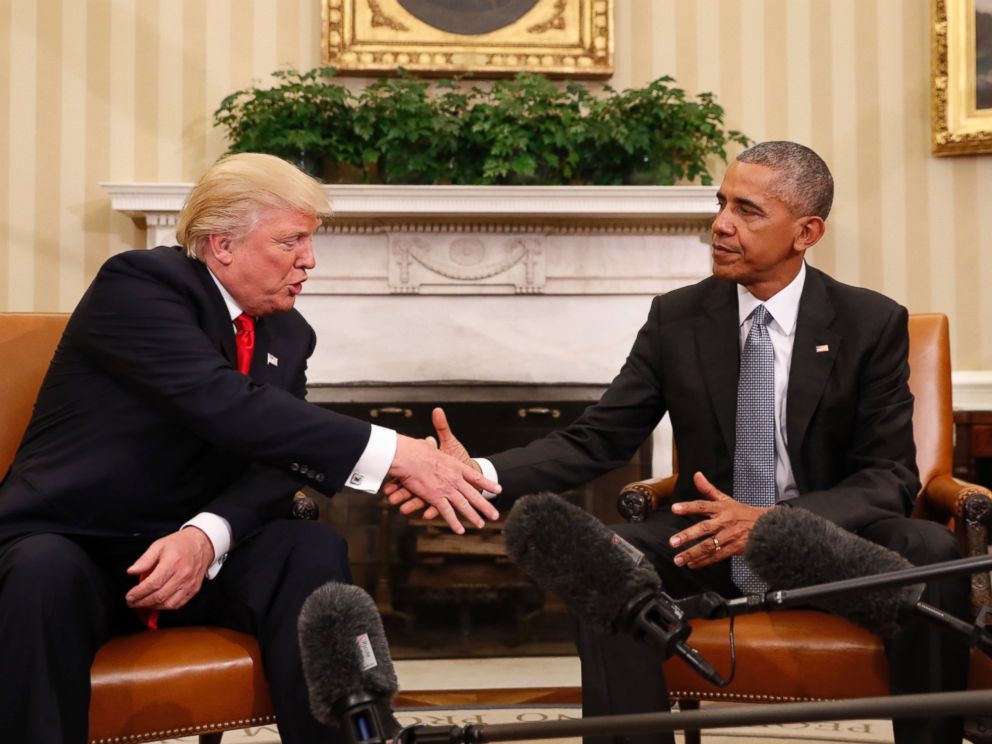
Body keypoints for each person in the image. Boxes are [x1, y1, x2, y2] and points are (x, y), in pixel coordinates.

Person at [388, 141, 971, 744]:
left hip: (832, 541)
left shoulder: (868, 321)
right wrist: (475, 473)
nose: (719, 225)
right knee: (605, 561)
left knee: (928, 547)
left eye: (747, 211)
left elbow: (888, 475)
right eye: (721, 203)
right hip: (706, 542)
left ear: (806, 232)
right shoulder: (678, 318)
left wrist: (774, 524)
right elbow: (597, 438)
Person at [0, 152, 501, 744]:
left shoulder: (289, 331)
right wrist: (399, 454)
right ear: (223, 244)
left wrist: (206, 536)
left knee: (310, 548)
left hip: (195, 557)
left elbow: (276, 455)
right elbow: (226, 404)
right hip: (80, 544)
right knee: (41, 572)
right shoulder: (138, 286)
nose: (309, 261)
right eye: (291, 242)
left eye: (310, 242)